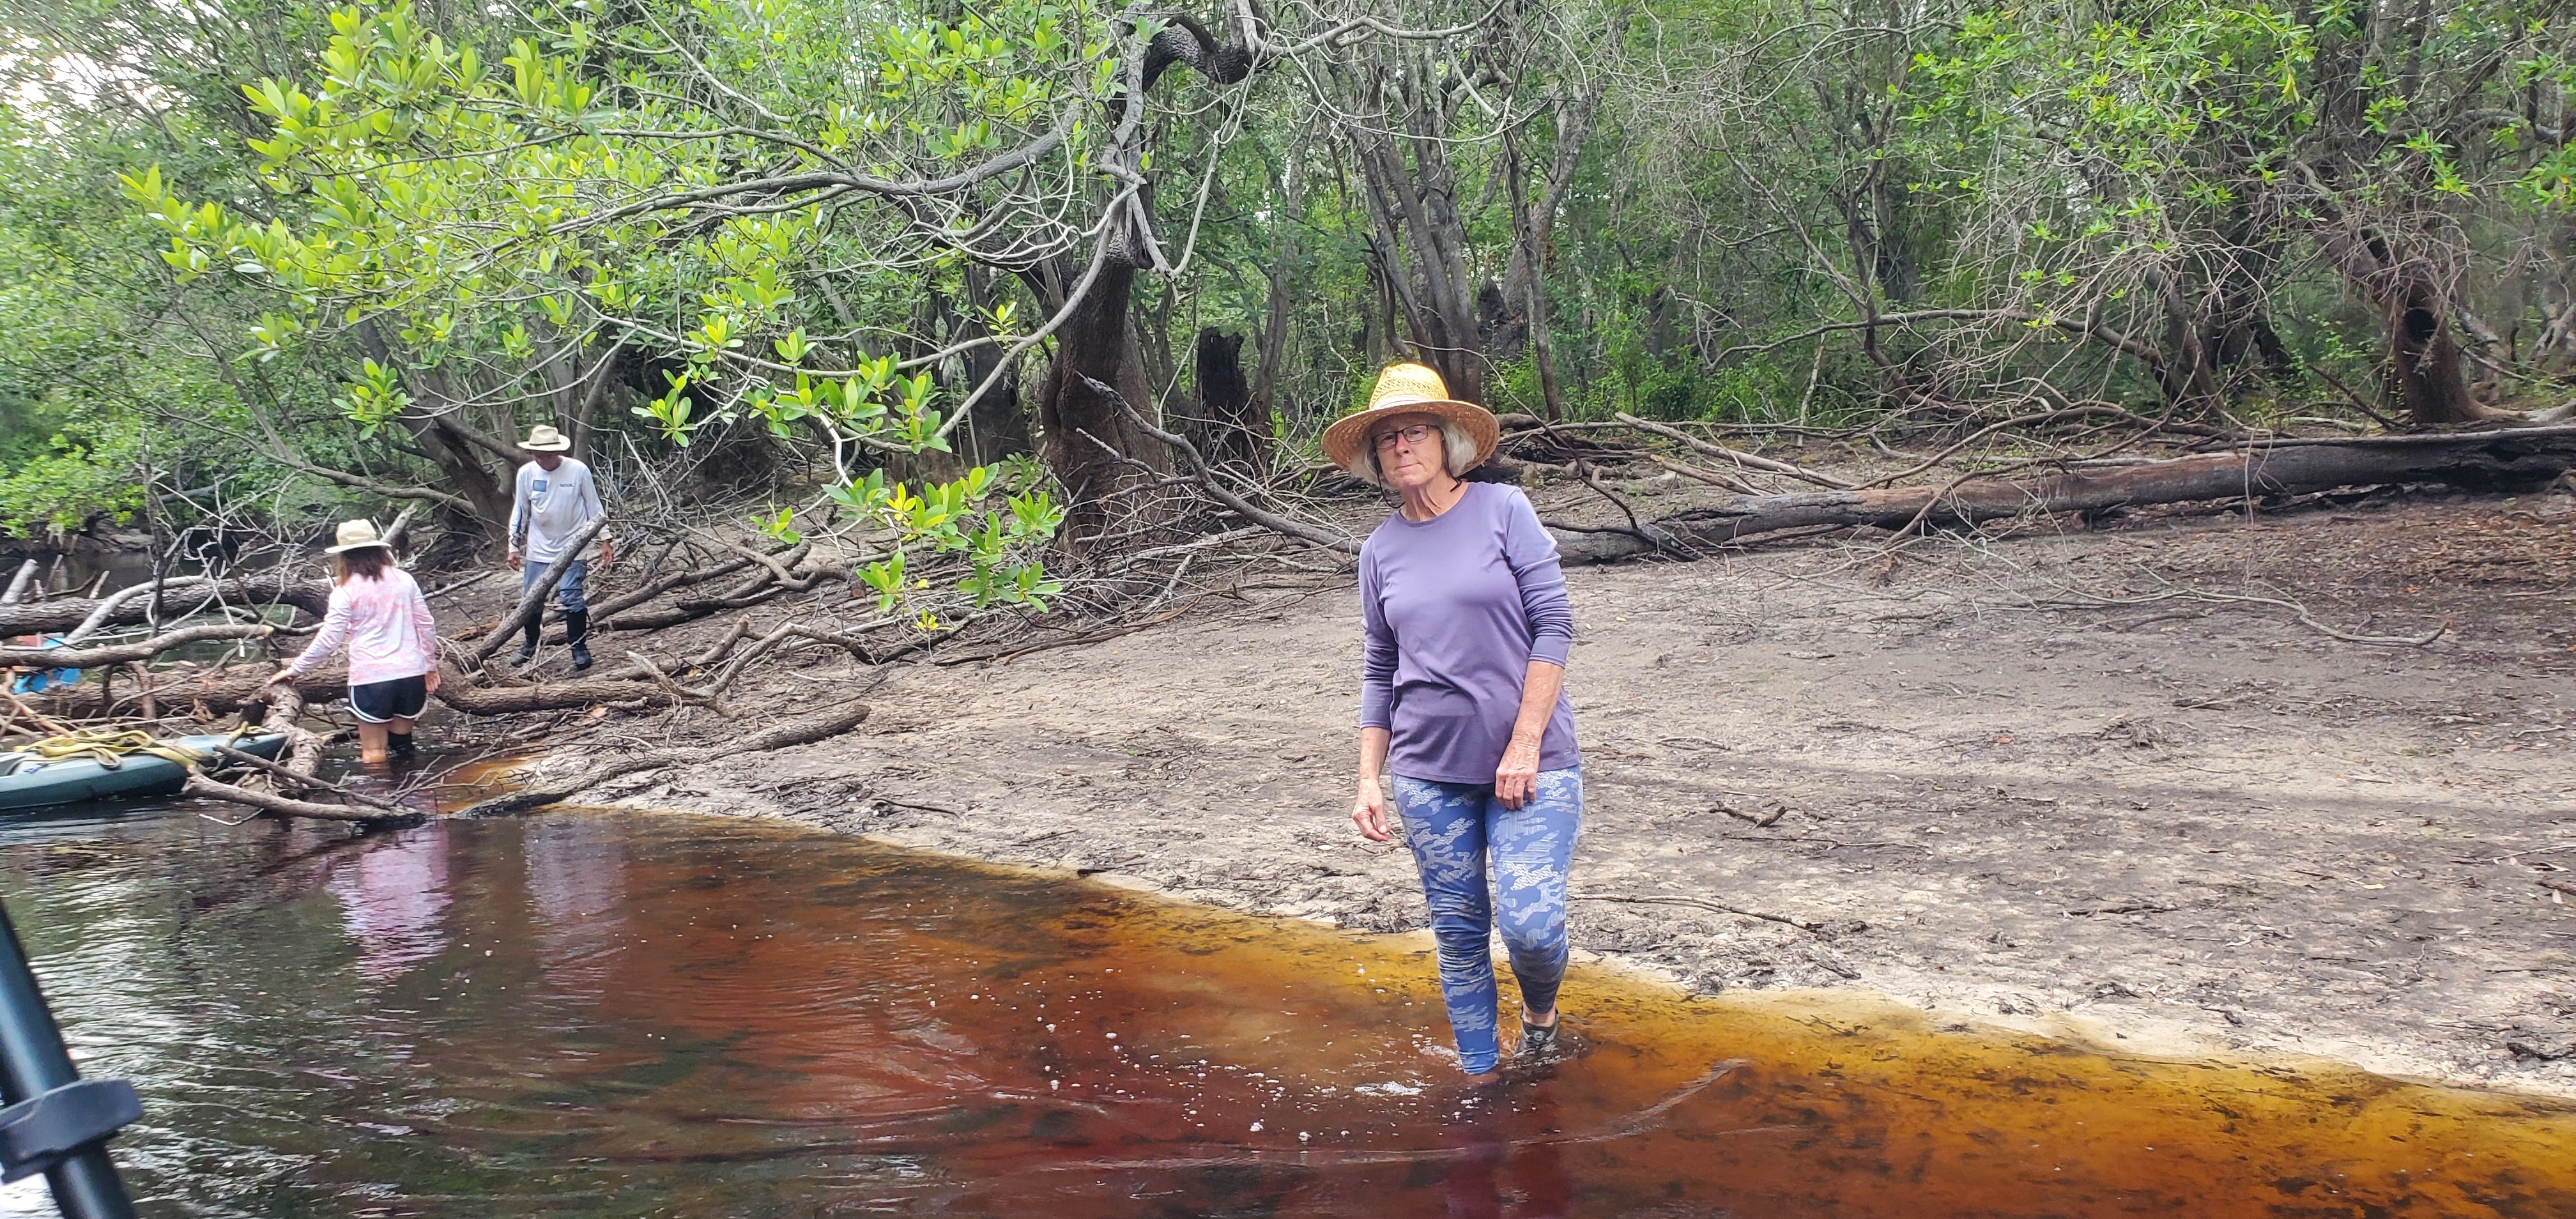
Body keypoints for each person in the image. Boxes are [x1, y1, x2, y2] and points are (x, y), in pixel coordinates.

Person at [1333, 362, 1583, 1080]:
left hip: (1534, 762)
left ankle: (1540, 1019)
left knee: (1531, 928)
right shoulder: (1379, 550)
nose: (1401, 446)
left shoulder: (1504, 510)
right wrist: (1367, 780)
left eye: (1414, 431)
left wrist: (1525, 743)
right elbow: (1381, 665)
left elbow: (1554, 626)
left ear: (1447, 442)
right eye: (1387, 438)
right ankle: (1480, 1081)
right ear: (1377, 458)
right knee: (1460, 933)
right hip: (1426, 772)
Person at [270, 519, 440, 763]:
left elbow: (329, 639)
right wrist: (429, 666)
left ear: (344, 557)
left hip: (372, 678)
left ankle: (378, 800)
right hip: (411, 674)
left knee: (374, 753)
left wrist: (295, 670)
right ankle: (414, 796)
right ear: (380, 550)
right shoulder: (405, 580)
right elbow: (426, 624)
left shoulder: (345, 592)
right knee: (402, 745)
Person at [505, 424, 614, 671]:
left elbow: (593, 506)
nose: (543, 460)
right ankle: (530, 644)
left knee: (571, 595)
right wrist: (513, 546)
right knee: (531, 600)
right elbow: (520, 511)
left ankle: (579, 647)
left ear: (558, 452)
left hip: (574, 545)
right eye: (538, 455)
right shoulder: (526, 474)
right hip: (538, 547)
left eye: (548, 455)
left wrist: (605, 540)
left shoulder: (578, 471)